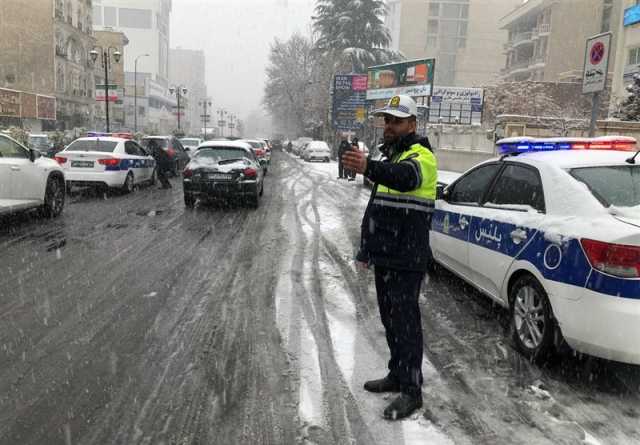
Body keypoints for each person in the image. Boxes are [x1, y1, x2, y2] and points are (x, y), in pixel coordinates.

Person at [342, 94, 437, 421]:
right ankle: (397, 373)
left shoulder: (420, 157)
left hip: (407, 258)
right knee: (390, 321)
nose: (390, 126)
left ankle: (412, 391)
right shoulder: (394, 158)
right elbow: (378, 211)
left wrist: (369, 166)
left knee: (406, 324)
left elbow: (405, 178)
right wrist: (367, 249)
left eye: (396, 121)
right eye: (387, 121)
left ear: (412, 124)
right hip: (388, 256)